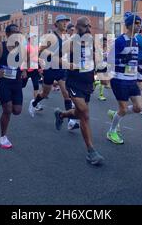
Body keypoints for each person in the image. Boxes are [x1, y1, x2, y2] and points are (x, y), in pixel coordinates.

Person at [54, 17, 104, 165]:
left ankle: (61, 114)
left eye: (89, 26)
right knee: (84, 113)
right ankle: (91, 151)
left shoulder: (91, 40)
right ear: (77, 27)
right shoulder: (71, 42)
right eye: (85, 26)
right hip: (74, 81)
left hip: (88, 81)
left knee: (78, 112)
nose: (88, 28)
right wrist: (67, 64)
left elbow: (97, 58)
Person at [29, 15, 79, 131]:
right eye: (62, 22)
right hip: (50, 69)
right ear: (56, 24)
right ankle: (33, 103)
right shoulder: (51, 37)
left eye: (66, 22)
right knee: (45, 94)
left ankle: (70, 122)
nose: (65, 23)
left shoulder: (67, 37)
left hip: (61, 69)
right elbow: (40, 51)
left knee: (66, 94)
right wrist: (41, 63)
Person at [0, 24, 27, 149]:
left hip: (16, 82)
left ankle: (1, 101)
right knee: (7, 110)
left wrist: (24, 70)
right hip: (3, 82)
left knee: (17, 111)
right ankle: (3, 136)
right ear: (7, 34)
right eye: (14, 33)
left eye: (18, 33)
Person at [106, 12, 142, 144]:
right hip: (119, 79)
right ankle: (111, 131)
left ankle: (115, 114)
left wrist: (139, 76)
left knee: (139, 107)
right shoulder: (120, 41)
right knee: (122, 109)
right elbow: (109, 59)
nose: (139, 26)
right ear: (128, 25)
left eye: (140, 23)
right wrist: (122, 58)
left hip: (132, 79)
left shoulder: (137, 41)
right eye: (136, 23)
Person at [22, 35, 43, 111]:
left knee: (36, 86)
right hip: (27, 70)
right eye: (32, 38)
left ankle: (36, 103)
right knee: (21, 85)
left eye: (35, 38)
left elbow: (36, 59)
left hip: (34, 70)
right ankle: (8, 97)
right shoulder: (26, 47)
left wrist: (40, 68)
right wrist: (24, 71)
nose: (34, 40)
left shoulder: (36, 47)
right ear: (29, 39)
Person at [93, 36, 109, 101]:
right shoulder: (98, 49)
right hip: (99, 66)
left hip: (106, 66)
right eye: (103, 42)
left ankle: (96, 82)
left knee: (105, 82)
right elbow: (95, 59)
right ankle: (101, 95)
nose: (105, 43)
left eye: (105, 42)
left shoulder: (108, 49)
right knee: (103, 81)